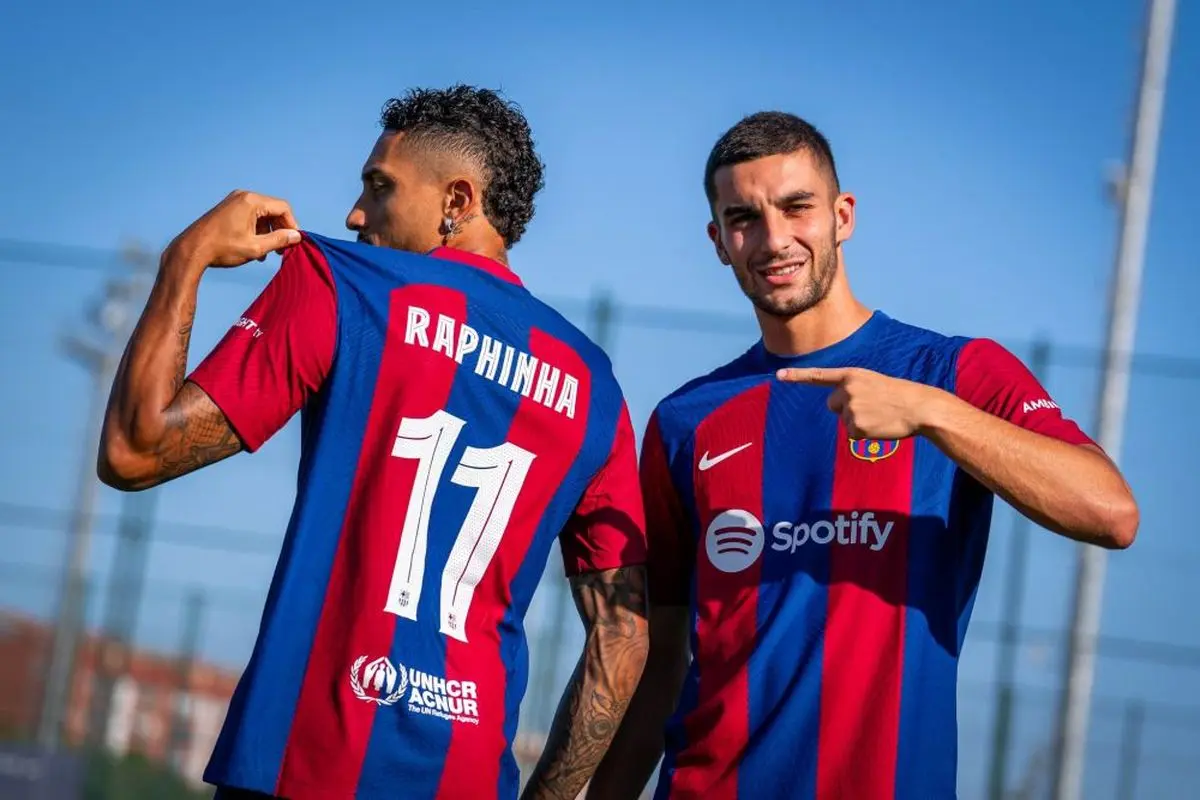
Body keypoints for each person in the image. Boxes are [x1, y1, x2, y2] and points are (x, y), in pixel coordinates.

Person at [97, 85, 649, 800]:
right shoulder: (594, 385)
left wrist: (187, 255)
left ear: (457, 200)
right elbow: (623, 636)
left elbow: (135, 452)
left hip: (302, 768)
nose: (355, 214)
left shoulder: (343, 284)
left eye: (379, 187)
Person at [589, 111, 1139, 800]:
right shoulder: (684, 420)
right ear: (718, 242)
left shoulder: (951, 373)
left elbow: (1110, 511)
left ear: (842, 215)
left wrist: (932, 413)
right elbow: (657, 661)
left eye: (797, 207)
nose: (773, 239)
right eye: (744, 218)